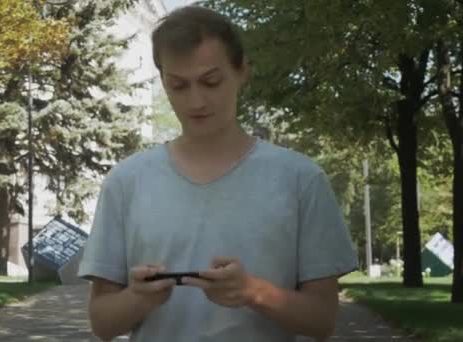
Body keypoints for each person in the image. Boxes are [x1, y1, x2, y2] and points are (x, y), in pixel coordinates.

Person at [77, 5, 358, 342]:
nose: (196, 101)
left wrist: (254, 292)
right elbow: (102, 324)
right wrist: (137, 298)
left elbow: (323, 321)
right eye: (178, 85)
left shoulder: (300, 179)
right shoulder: (126, 182)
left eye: (211, 81)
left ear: (242, 72)